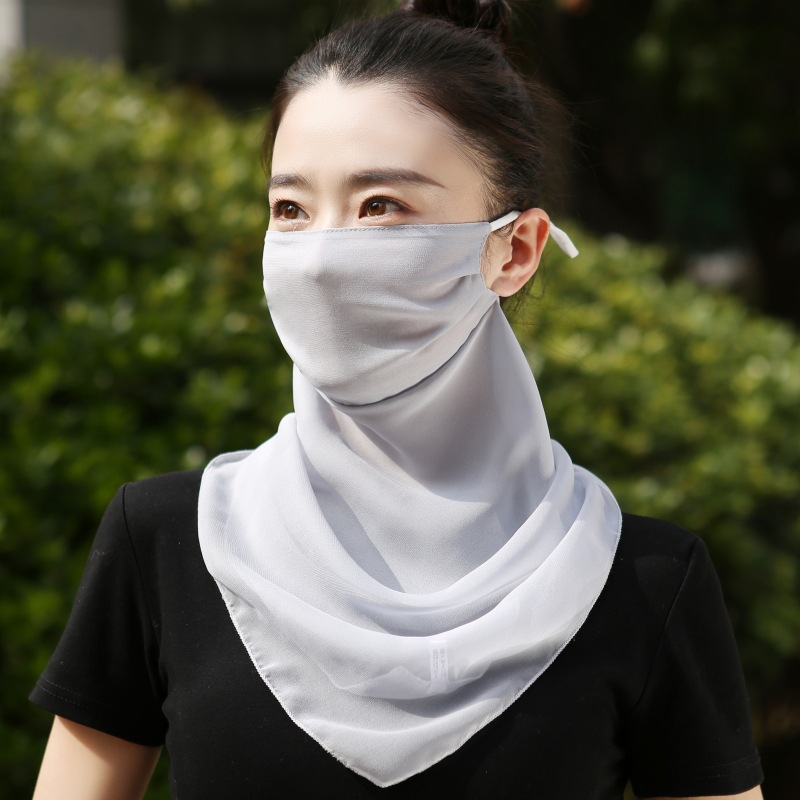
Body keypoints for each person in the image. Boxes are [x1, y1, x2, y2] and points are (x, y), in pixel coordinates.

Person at [31, 2, 765, 798]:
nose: (320, 259)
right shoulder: (168, 542)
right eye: (291, 209)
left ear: (515, 249)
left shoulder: (644, 581)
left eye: (381, 205)